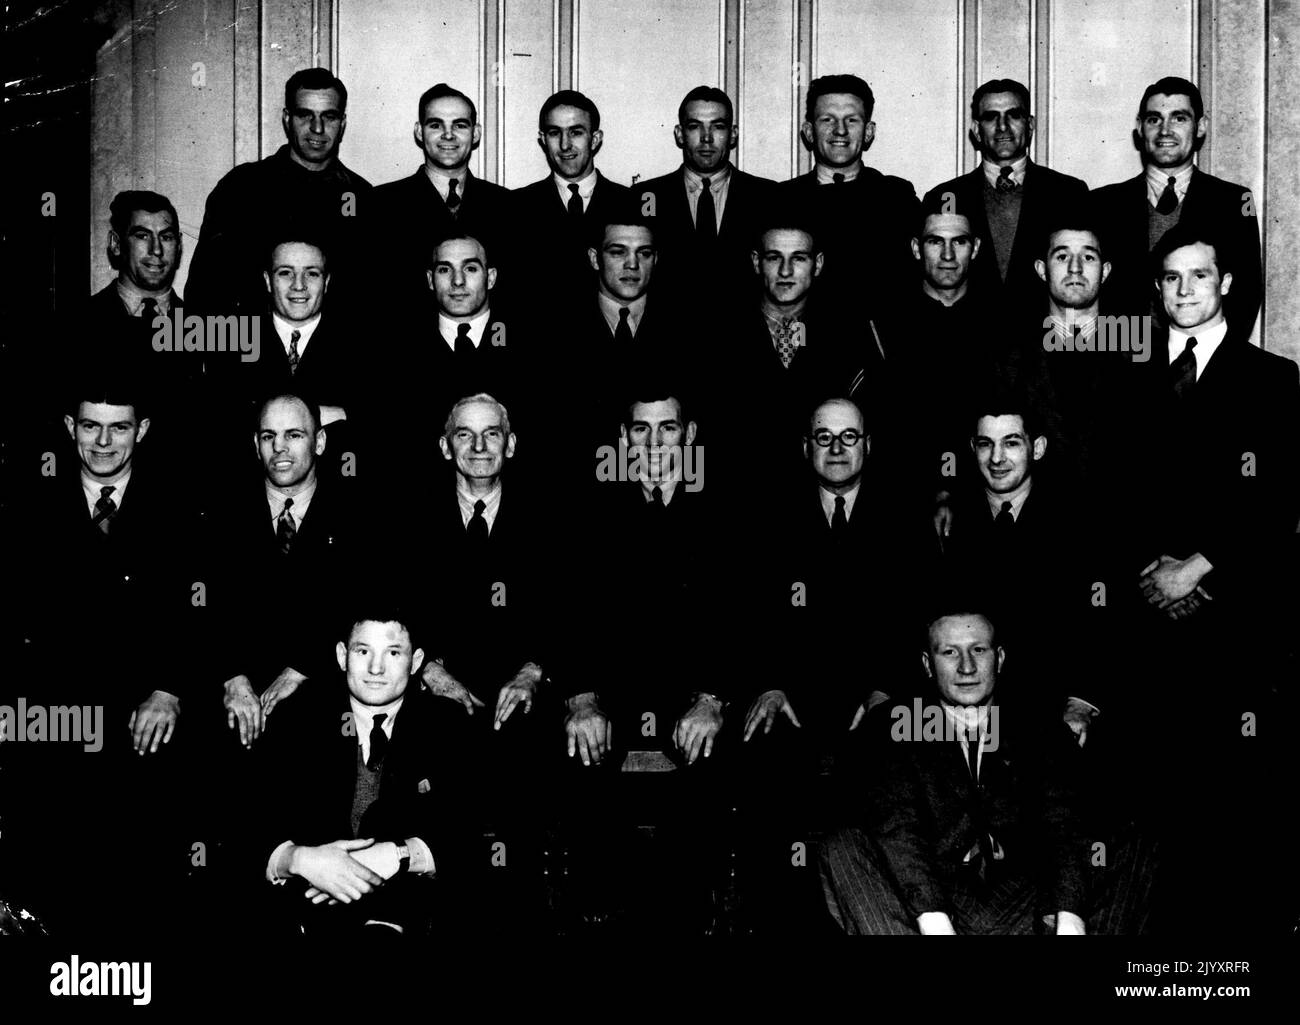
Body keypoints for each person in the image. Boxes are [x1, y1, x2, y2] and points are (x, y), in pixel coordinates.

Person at [1111, 223, 1297, 932]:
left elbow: (1277, 500)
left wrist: (1197, 567)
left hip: (1233, 630)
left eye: (1198, 275)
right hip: (1149, 627)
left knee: (1231, 817)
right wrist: (1152, 575)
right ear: (1156, 291)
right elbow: (1112, 496)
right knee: (1154, 818)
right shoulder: (1129, 381)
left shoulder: (1273, 380)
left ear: (1225, 284)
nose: (1183, 290)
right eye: (1170, 278)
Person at [10, 379, 200, 937]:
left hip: (146, 708)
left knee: (143, 862)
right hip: (56, 708)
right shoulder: (30, 503)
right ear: (70, 428)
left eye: (119, 427)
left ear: (141, 431)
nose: (103, 441)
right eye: (89, 425)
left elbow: (198, 606)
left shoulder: (178, 506)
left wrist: (169, 689)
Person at [734, 395, 918, 932]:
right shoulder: (771, 517)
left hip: (874, 697)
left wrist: (887, 689)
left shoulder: (903, 517)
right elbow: (748, 613)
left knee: (889, 761)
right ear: (806, 447)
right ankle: (781, 919)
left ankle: (872, 918)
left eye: (848, 437)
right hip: (795, 696)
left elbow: (918, 617)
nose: (836, 448)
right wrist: (768, 683)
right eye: (824, 437)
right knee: (763, 755)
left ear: (868, 445)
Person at [820, 609, 1113, 935]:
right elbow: (896, 823)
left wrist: (1067, 919)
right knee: (842, 846)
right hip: (928, 895)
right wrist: (935, 921)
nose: (967, 667)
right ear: (927, 665)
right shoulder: (895, 723)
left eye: (978, 649)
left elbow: (1065, 820)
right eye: (949, 652)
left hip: (1023, 899)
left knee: (1125, 838)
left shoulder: (1037, 723)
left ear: (999, 658)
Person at [557, 385, 729, 934]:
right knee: (580, 757)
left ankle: (685, 918)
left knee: (705, 772)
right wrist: (581, 699)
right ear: (622, 437)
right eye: (640, 429)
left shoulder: (723, 508)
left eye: (668, 428)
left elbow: (742, 614)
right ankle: (599, 915)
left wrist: (710, 699)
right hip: (613, 695)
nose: (654, 442)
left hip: (696, 695)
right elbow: (567, 611)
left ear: (691, 435)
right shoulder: (588, 510)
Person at [254, 608, 473, 937]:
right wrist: (297, 859)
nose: (375, 668)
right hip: (303, 925)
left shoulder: (450, 727)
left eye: (393, 653)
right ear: (343, 656)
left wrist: (398, 855)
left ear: (415, 662)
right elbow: (246, 824)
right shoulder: (295, 718)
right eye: (363, 651)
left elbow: (475, 836)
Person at [214, 393, 369, 752]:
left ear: (320, 441)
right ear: (256, 445)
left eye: (294, 435)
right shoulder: (221, 515)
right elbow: (205, 606)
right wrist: (234, 678)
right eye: (269, 437)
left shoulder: (355, 516)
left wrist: (301, 668)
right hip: (233, 693)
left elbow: (361, 602)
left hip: (323, 689)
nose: (279, 448)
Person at [186, 68, 372, 316]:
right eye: (305, 115)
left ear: (343, 123)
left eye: (329, 116)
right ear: (287, 119)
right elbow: (207, 287)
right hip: (252, 346)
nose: (317, 128)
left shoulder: (362, 196)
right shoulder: (242, 188)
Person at [1091, 76, 1262, 334]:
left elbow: (1246, 293)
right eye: (1154, 119)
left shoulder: (1234, 200)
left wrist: (1213, 363)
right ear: (1139, 127)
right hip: (1119, 365)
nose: (1165, 130)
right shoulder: (1101, 204)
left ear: (1201, 126)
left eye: (1179, 118)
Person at [923, 80, 1089, 308]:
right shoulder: (946, 197)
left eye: (1013, 115)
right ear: (976, 130)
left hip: (1044, 336)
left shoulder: (1068, 193)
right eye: (991, 117)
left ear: (1030, 125)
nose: (1003, 127)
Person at [777, 74, 918, 312]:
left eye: (851, 120)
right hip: (803, 340)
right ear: (809, 131)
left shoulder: (896, 198)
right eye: (828, 120)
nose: (840, 130)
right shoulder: (781, 200)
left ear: (869, 132)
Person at [366, 83, 512, 309]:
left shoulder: (507, 205)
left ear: (476, 133)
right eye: (436, 125)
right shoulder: (380, 203)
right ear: (419, 131)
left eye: (460, 125)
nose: (448, 135)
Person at [636, 86, 777, 303]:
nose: (707, 138)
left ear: (733, 134)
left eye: (718, 127)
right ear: (680, 134)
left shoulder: (767, 196)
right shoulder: (647, 197)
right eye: (694, 126)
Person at [511, 90, 633, 302]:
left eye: (576, 132)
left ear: (595, 139)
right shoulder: (517, 206)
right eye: (554, 133)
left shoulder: (628, 203)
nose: (565, 145)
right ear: (543, 139)